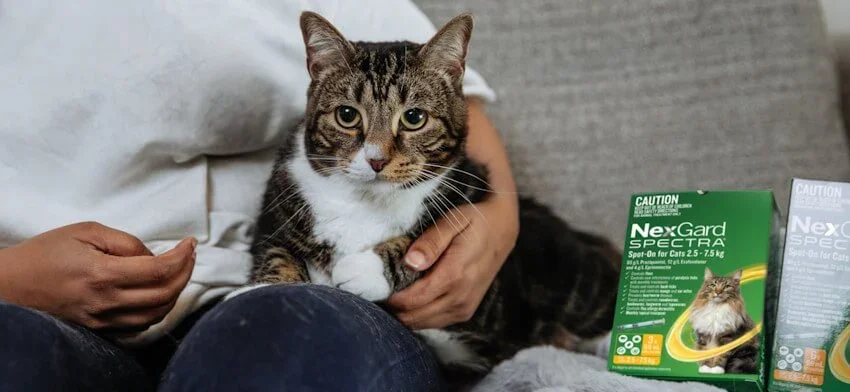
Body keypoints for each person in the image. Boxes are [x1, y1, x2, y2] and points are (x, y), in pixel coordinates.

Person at [0, 1, 518, 391]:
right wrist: (12, 278)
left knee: (285, 336)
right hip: (32, 302)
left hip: (279, 297)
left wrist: (499, 225)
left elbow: (457, 103)